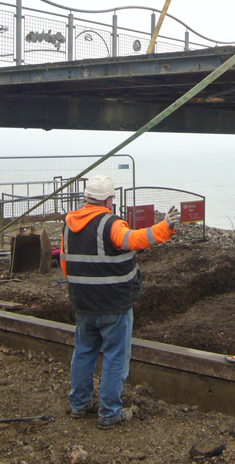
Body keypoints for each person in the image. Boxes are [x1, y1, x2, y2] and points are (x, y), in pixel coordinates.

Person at [60, 175, 180, 429]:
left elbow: (65, 263)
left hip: (83, 305)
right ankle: (109, 413)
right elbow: (133, 240)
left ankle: (78, 405)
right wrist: (165, 227)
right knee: (115, 357)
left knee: (83, 353)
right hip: (114, 306)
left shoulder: (69, 226)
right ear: (107, 200)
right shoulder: (110, 223)